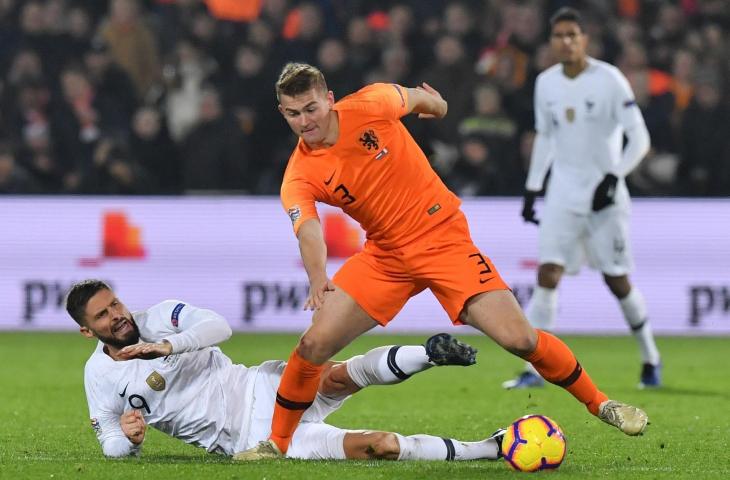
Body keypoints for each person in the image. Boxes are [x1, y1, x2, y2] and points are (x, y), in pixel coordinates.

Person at [237, 61, 649, 460]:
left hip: (442, 240)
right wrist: (317, 278)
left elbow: (423, 100)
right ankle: (277, 443)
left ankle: (602, 405)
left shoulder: (372, 103)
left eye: (311, 108)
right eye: (293, 114)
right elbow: (308, 231)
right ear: (282, 113)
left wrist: (437, 106)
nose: (305, 121)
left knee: (519, 339)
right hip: (386, 256)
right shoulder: (299, 174)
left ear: (328, 99)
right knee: (313, 344)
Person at [66, 279, 506, 461]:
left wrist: (165, 345)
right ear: (89, 332)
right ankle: (488, 449)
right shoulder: (100, 376)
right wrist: (126, 437)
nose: (118, 316)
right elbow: (108, 440)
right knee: (381, 446)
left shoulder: (162, 316)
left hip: (260, 385)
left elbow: (219, 327)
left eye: (116, 304)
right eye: (104, 316)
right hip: (251, 437)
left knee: (339, 375)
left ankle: (430, 353)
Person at [505, 7, 661, 390]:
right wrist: (533, 186)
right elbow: (545, 137)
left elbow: (639, 137)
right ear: (551, 41)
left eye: (573, 34)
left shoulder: (609, 79)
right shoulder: (546, 83)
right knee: (547, 274)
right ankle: (535, 369)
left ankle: (650, 358)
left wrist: (614, 176)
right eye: (559, 35)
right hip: (562, 194)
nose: (566, 41)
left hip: (605, 198)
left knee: (617, 280)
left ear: (585, 39)